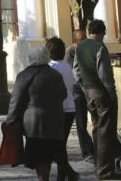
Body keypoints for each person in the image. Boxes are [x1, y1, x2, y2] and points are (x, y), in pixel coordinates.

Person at [8, 45, 74, 181]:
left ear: (30, 58)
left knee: (40, 156)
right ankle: (64, 174)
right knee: (50, 152)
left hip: (34, 123)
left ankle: (44, 178)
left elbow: (16, 100)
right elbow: (63, 94)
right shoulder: (55, 75)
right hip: (55, 120)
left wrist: (11, 120)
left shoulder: (24, 75)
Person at [74, 19, 121, 180]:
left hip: (88, 91)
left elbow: (76, 71)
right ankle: (105, 171)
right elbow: (105, 75)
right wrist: (111, 93)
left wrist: (84, 86)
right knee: (106, 131)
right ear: (102, 32)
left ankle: (98, 165)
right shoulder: (100, 47)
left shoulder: (80, 46)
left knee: (96, 128)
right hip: (101, 91)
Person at [45, 37, 78, 181]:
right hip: (70, 108)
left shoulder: (52, 68)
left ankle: (69, 172)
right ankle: (62, 176)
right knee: (60, 145)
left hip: (58, 110)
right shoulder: (66, 67)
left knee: (53, 146)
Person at [65, 30, 95, 163]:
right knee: (81, 122)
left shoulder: (88, 50)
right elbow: (72, 72)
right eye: (81, 40)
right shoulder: (71, 51)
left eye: (85, 39)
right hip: (77, 89)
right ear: (75, 41)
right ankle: (87, 152)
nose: (84, 42)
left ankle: (97, 149)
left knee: (97, 119)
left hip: (89, 87)